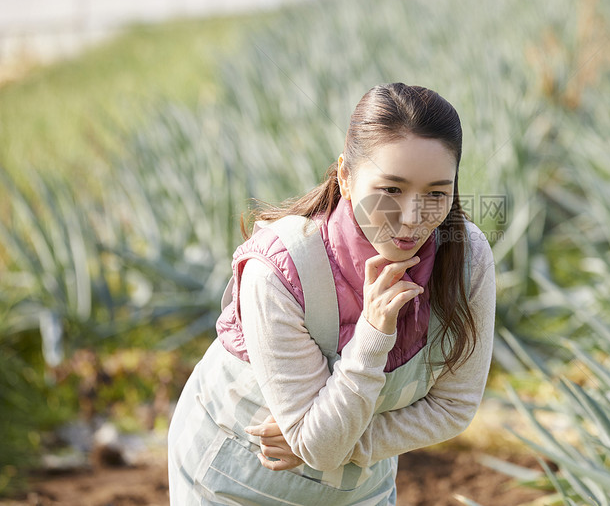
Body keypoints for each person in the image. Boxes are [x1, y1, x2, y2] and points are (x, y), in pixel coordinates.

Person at [167, 83, 497, 505]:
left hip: (357, 491)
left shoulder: (467, 261)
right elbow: (320, 446)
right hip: (231, 480)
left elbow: (455, 407)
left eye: (436, 192)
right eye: (391, 189)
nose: (413, 218)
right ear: (345, 177)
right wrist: (374, 334)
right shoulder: (281, 269)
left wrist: (348, 444)